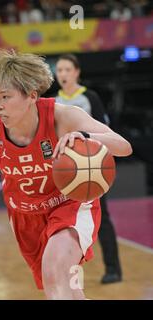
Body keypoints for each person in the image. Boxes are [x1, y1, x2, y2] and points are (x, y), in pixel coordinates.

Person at [0, 49, 132, 299]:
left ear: (31, 96)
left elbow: (123, 146)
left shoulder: (63, 117)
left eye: (6, 96)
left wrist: (85, 137)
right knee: (68, 286)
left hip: (69, 205)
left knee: (55, 272)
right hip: (24, 215)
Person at [55, 53, 123, 284]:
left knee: (102, 218)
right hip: (65, 169)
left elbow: (107, 130)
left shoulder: (90, 97)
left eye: (67, 69)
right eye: (59, 70)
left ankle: (113, 269)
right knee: (63, 221)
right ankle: (64, 273)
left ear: (76, 72)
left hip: (91, 167)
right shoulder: (54, 102)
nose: (63, 74)